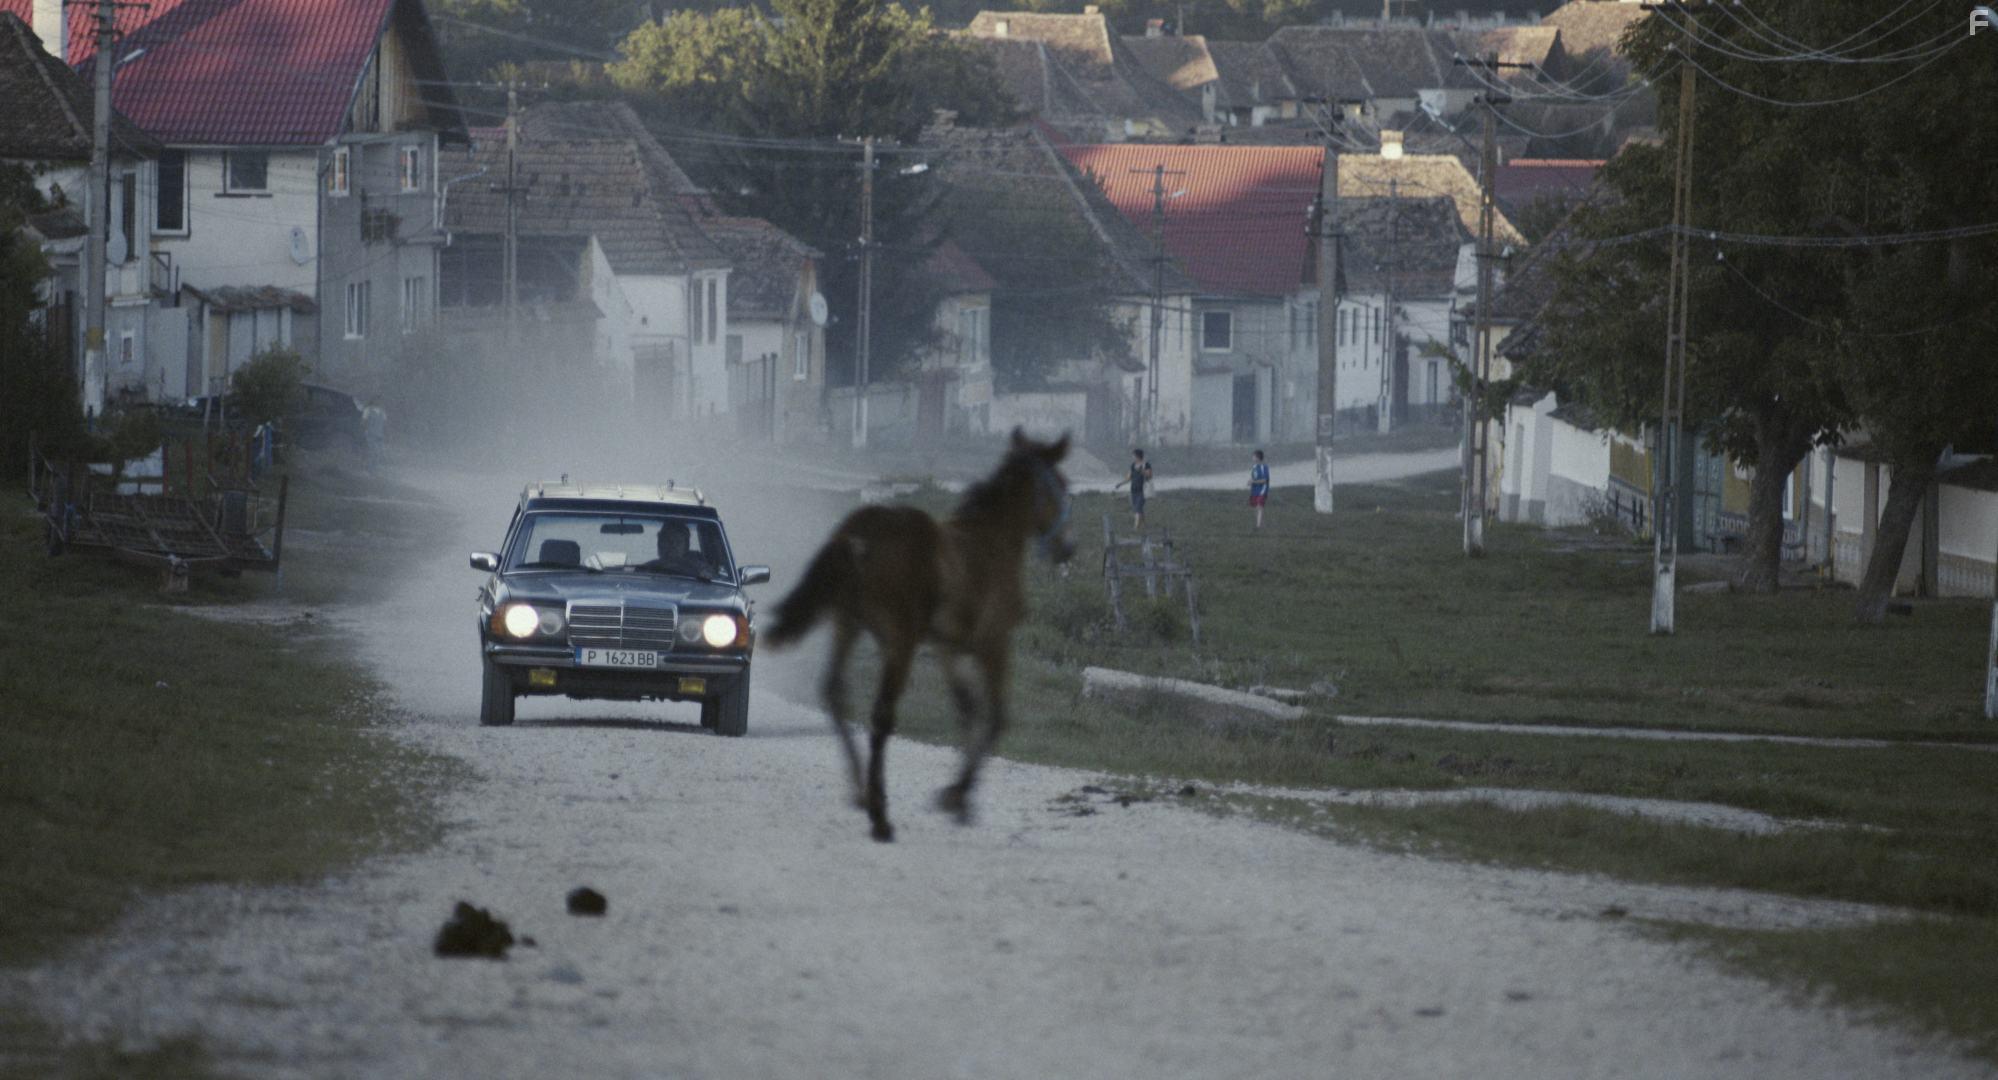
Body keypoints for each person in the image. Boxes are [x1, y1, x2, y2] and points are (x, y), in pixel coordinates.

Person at [1112, 448, 1154, 531]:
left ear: (1137, 456)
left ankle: (1136, 527)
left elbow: (1149, 476)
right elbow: (1129, 477)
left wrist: (1142, 471)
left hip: (1143, 490)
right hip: (1133, 490)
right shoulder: (1133, 465)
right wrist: (1120, 484)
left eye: (1133, 455)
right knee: (1138, 509)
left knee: (1137, 508)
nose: (1132, 457)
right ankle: (1144, 525)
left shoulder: (1146, 465)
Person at [1248, 449, 1270, 530]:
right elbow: (1254, 477)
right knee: (1255, 507)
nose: (1252, 458)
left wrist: (1254, 481)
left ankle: (1258, 525)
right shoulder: (1254, 467)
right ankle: (1259, 523)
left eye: (1253, 456)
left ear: (1258, 457)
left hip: (1262, 490)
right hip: (1254, 490)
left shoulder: (1264, 467)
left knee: (1259, 506)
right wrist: (1250, 481)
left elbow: (1265, 480)